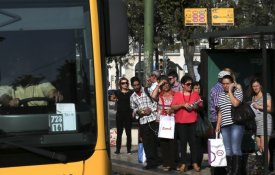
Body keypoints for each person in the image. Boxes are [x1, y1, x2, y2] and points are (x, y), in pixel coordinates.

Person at [171, 75, 202, 172]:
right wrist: (183, 105)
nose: (190, 86)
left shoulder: (195, 94)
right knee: (183, 144)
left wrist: (195, 106)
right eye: (188, 84)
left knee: (193, 143)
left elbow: (200, 105)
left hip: (192, 122)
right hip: (181, 123)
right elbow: (173, 107)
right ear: (183, 85)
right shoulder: (177, 94)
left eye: (191, 84)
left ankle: (194, 163)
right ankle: (184, 163)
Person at [215, 75, 244, 175]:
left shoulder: (238, 91)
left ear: (232, 83)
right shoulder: (221, 95)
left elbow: (235, 104)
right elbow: (220, 111)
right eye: (223, 84)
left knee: (235, 148)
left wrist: (231, 92)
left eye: (228, 83)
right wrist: (218, 125)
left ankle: (236, 172)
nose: (225, 86)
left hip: (236, 124)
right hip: (225, 125)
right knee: (227, 149)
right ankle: (230, 171)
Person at [130, 76, 159, 170]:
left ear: (140, 84)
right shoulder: (132, 97)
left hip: (152, 119)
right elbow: (133, 109)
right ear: (132, 86)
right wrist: (137, 112)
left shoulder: (147, 90)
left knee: (154, 141)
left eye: (138, 84)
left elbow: (155, 101)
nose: (136, 87)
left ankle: (155, 160)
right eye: (134, 85)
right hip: (143, 121)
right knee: (146, 142)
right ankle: (150, 162)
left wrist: (150, 109)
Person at [151, 75, 175, 171]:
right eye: (163, 84)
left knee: (173, 143)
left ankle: (173, 163)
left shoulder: (174, 94)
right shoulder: (159, 95)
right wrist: (159, 84)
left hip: (172, 120)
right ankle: (166, 163)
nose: (165, 86)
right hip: (162, 121)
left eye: (166, 83)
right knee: (164, 143)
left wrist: (172, 110)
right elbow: (152, 96)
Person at [250, 77, 273, 164]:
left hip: (265, 121)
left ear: (260, 86)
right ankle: (262, 167)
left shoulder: (266, 95)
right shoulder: (253, 97)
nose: (255, 88)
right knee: (259, 147)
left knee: (264, 146)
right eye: (253, 86)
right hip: (257, 123)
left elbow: (270, 108)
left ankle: (266, 169)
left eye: (257, 86)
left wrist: (258, 106)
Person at [109, 77, 133, 154]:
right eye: (123, 83)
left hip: (128, 114)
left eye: (126, 83)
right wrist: (114, 99)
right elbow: (111, 98)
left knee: (128, 133)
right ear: (120, 84)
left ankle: (129, 149)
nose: (125, 84)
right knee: (119, 133)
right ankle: (118, 149)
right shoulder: (117, 92)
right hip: (119, 115)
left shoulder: (131, 92)